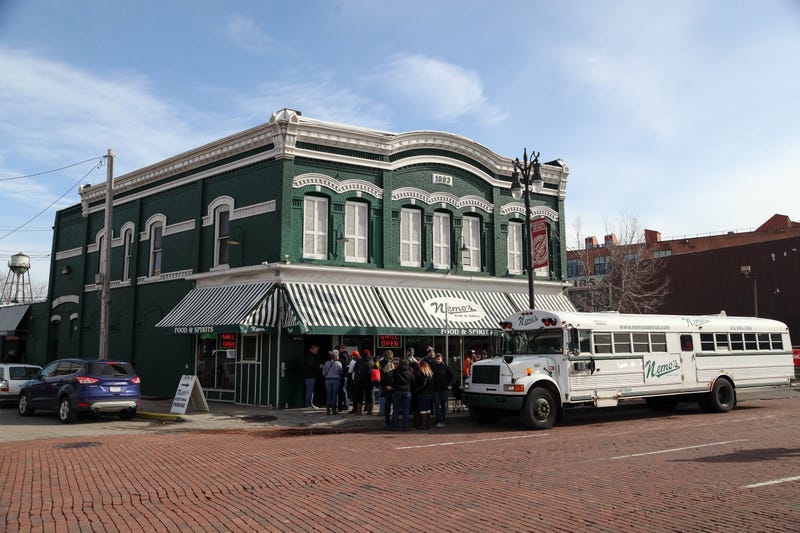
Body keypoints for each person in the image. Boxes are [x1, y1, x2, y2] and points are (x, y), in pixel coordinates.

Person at [390, 357, 414, 431]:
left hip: (397, 391)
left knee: (396, 410)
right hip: (407, 391)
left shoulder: (395, 371)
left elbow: (391, 379)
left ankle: (394, 427)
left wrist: (393, 386)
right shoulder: (410, 372)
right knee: (406, 410)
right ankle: (406, 427)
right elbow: (413, 381)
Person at [432, 352, 452, 428]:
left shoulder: (445, 366)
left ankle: (442, 419)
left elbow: (450, 375)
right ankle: (439, 420)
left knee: (443, 405)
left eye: (439, 359)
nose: (438, 360)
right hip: (435, 389)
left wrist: (448, 384)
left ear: (441, 359)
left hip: (444, 389)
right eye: (436, 359)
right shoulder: (432, 366)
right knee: (437, 405)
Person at [321, 350, 343, 415]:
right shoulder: (338, 363)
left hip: (328, 380)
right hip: (336, 380)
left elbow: (323, 373)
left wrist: (327, 376)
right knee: (334, 395)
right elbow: (341, 372)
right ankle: (334, 410)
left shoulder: (326, 363)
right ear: (335, 357)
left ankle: (328, 410)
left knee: (328, 394)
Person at [415, 359, 434, 430]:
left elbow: (422, 384)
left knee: (422, 409)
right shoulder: (431, 373)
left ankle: (423, 425)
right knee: (428, 409)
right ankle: (427, 424)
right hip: (429, 393)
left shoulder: (422, 373)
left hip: (422, 393)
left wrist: (417, 389)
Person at [303, 344, 321, 409]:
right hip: (309, 376)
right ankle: (308, 404)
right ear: (313, 349)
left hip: (310, 375)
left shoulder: (310, 355)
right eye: (316, 350)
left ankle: (310, 404)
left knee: (311, 390)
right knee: (309, 390)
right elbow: (311, 364)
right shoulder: (309, 355)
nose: (317, 351)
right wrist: (319, 366)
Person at [380, 356, 395, 428]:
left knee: (387, 406)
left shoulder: (384, 373)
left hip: (387, 391)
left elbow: (382, 382)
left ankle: (387, 421)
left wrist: (386, 386)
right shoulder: (395, 373)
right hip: (394, 391)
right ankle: (394, 421)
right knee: (395, 406)